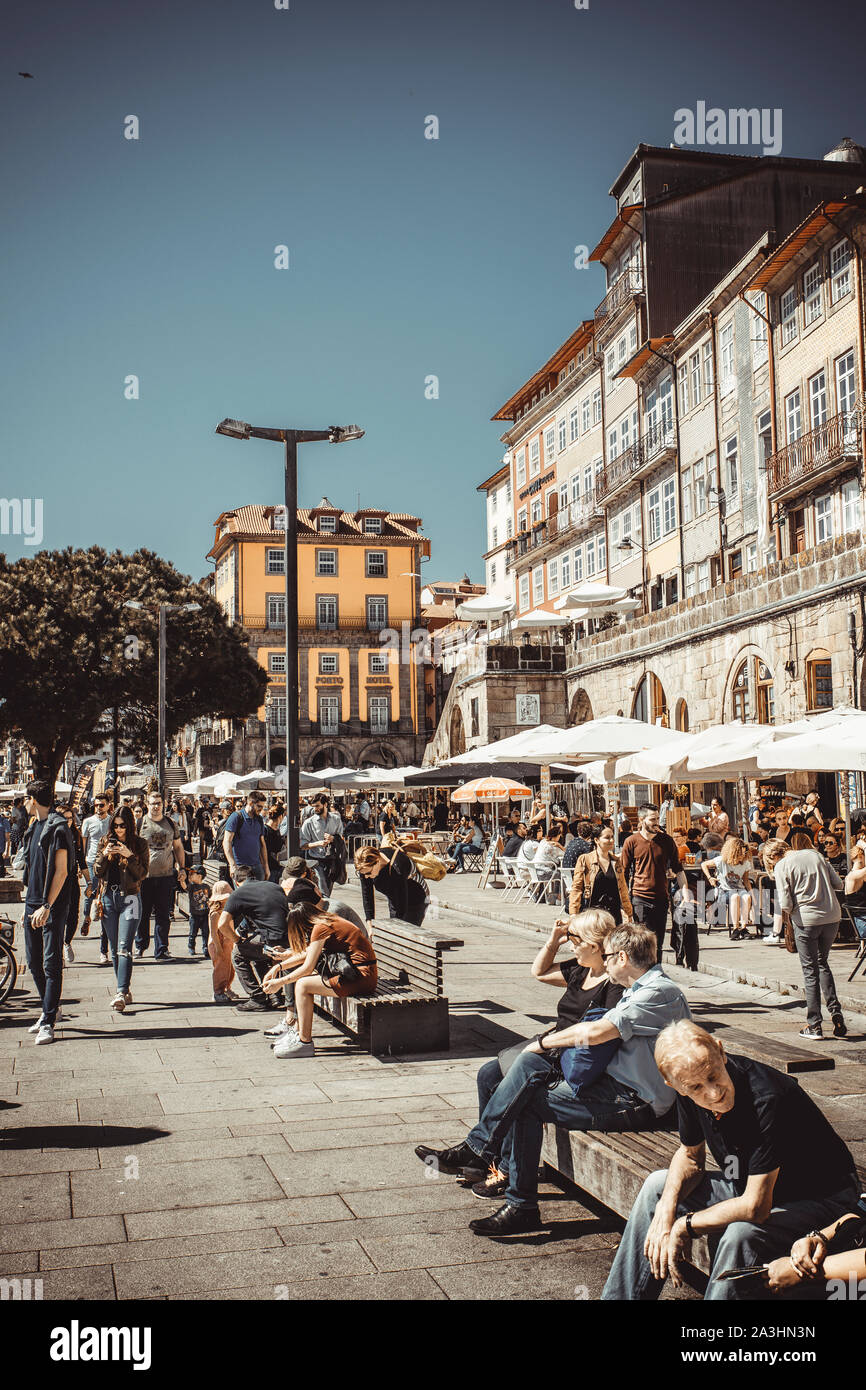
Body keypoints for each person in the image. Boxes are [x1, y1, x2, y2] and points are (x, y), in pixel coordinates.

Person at [415, 921, 691, 1237]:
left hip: (636, 1101)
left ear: (623, 958)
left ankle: (506, 1187)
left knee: (527, 1093)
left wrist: (543, 1043)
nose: (606, 958)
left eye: (610, 954)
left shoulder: (659, 993)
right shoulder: (640, 989)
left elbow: (598, 1031)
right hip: (614, 1089)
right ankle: (501, 1180)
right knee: (523, 1083)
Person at [601, 1021, 860, 1301]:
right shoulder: (687, 1084)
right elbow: (690, 1157)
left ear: (721, 1052)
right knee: (657, 1186)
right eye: (696, 1087)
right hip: (752, 1187)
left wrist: (684, 1224)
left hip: (823, 1200)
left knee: (740, 1233)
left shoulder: (767, 1097)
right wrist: (666, 1209)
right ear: (674, 1084)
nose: (713, 1093)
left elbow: (755, 1207)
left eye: (714, 1076)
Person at [459, 909, 625, 1200]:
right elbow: (538, 972)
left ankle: (502, 1169)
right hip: (549, 1046)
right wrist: (554, 940)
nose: (571, 943)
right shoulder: (579, 968)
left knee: (516, 1091)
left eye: (575, 938)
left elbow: (599, 1034)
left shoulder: (612, 985)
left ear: (595, 946)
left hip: (568, 1057)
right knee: (488, 1074)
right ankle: (490, 1160)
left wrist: (551, 1045)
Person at [261, 901, 378, 1059]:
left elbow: (307, 966)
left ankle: (304, 1042)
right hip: (358, 974)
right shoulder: (327, 921)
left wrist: (280, 983)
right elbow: (308, 953)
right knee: (304, 983)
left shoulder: (321, 928)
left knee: (303, 985)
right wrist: (278, 967)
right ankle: (298, 1034)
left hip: (361, 978)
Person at [774, 832, 846, 1039]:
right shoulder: (818, 857)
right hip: (832, 917)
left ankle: (814, 1024)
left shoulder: (783, 865)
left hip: (807, 920)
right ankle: (836, 1012)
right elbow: (838, 884)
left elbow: (786, 903)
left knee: (810, 971)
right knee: (822, 963)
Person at [21, 781, 75, 1045]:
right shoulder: (35, 827)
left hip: (50, 904)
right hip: (32, 901)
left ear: (33, 799)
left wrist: (47, 905)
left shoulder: (58, 828)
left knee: (51, 963)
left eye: (25, 798)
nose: (23, 803)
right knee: (33, 961)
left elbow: (62, 871)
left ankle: (48, 1020)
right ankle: (49, 1008)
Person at [92, 806, 149, 1013]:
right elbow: (97, 871)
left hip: (131, 899)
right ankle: (124, 990)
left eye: (123, 826)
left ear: (130, 825)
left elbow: (142, 873)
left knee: (125, 947)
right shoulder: (104, 842)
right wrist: (105, 856)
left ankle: (120, 991)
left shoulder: (139, 844)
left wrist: (130, 855)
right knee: (115, 949)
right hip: (108, 898)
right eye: (115, 826)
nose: (118, 830)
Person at [620, 804, 693, 957]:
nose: (656, 822)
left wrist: (686, 894)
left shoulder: (666, 841)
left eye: (658, 818)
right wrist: (625, 902)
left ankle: (656, 975)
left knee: (657, 943)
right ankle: (643, 977)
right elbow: (623, 874)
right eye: (652, 819)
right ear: (642, 820)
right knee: (643, 943)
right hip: (640, 898)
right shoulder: (631, 841)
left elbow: (678, 870)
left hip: (661, 898)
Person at [217, 866, 289, 1012]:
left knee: (238, 954)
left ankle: (257, 998)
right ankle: (274, 995)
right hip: (289, 938)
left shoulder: (238, 893)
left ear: (236, 882)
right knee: (255, 951)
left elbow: (222, 924)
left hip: (272, 941)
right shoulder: (274, 886)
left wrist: (237, 940)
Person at [135, 790, 186, 960]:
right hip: (144, 877)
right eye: (152, 803)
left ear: (163, 805)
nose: (156, 807)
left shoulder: (171, 824)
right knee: (142, 914)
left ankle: (161, 949)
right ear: (147, 804)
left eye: (158, 803)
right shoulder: (140, 823)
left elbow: (178, 847)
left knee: (163, 915)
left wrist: (182, 867)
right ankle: (140, 946)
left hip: (165, 876)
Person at [568, 823, 632, 925]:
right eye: (607, 838)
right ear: (596, 840)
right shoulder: (585, 860)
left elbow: (623, 888)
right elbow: (577, 888)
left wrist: (629, 912)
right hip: (593, 915)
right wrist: (573, 913)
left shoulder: (616, 862)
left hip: (614, 915)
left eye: (612, 837)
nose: (611, 840)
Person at [354, 843, 429, 927]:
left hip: (416, 897)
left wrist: (394, 929)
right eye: (362, 874)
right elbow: (367, 894)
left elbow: (400, 909)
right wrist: (370, 923)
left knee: (406, 932)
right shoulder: (364, 867)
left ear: (378, 862)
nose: (366, 877)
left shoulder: (397, 869)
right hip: (395, 895)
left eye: (368, 873)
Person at [701, 836, 755, 940]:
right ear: (733, 852)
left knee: (746, 897)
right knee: (735, 897)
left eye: (744, 853)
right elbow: (704, 864)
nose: (742, 856)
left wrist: (752, 894)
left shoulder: (745, 863)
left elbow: (746, 880)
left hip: (740, 889)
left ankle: (743, 928)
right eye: (740, 853)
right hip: (724, 890)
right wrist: (710, 878)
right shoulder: (722, 860)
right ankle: (735, 928)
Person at [81, 792, 113, 960]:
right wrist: (82, 865)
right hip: (92, 862)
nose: (99, 808)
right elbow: (83, 844)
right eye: (96, 805)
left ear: (108, 805)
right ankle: (86, 916)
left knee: (106, 901)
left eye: (102, 805)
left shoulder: (113, 821)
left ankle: (104, 948)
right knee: (90, 892)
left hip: (108, 863)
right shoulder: (88, 822)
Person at [299, 794, 344, 896]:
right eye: (313, 806)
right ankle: (324, 908)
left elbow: (342, 838)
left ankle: (323, 907)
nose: (315, 809)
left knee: (328, 888)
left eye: (318, 806)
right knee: (323, 889)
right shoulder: (308, 823)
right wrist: (317, 843)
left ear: (325, 804)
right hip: (316, 860)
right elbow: (302, 845)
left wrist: (333, 838)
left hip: (332, 859)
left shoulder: (336, 819)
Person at [59, 806, 86, 965]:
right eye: (65, 817)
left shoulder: (75, 834)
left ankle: (67, 942)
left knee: (73, 915)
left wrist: (89, 882)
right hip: (58, 880)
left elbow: (81, 859)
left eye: (70, 818)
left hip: (72, 880)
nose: (68, 821)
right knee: (59, 916)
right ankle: (58, 952)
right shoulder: (55, 834)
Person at [223, 792, 268, 884]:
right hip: (240, 866)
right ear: (250, 803)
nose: (261, 809)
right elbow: (226, 841)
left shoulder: (259, 819)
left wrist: (266, 866)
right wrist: (232, 865)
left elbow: (262, 843)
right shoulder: (236, 817)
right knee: (243, 896)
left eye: (263, 807)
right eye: (259, 806)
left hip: (257, 865)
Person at [207, 879, 239, 1004]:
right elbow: (214, 932)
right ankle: (218, 991)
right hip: (218, 943)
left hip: (228, 942)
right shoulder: (215, 913)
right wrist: (218, 948)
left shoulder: (228, 910)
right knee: (220, 968)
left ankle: (226, 987)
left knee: (230, 968)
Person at [844, 836, 866, 943]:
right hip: (863, 925)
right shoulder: (854, 876)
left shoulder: (858, 875)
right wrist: (865, 847)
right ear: (861, 857)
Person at [186, 863, 211, 957]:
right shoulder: (192, 886)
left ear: (199, 876)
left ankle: (206, 948)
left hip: (205, 913)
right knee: (193, 933)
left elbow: (210, 897)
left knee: (206, 932)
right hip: (194, 915)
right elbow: (185, 887)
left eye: (192, 873)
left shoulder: (206, 887)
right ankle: (191, 947)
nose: (190, 875)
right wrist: (181, 880)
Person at [262, 806, 285, 883]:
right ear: (280, 816)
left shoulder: (275, 830)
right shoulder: (266, 830)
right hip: (269, 867)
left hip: (275, 866)